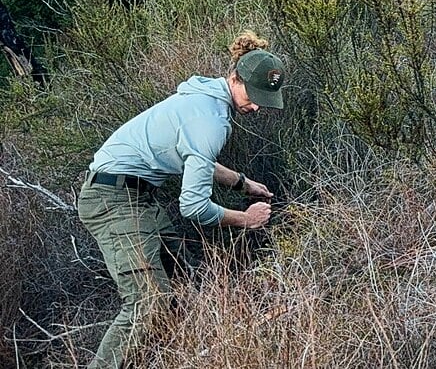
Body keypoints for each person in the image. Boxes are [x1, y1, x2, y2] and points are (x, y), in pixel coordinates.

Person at [77, 31, 286, 369]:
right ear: (235, 77)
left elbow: (195, 157)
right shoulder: (210, 120)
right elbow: (193, 207)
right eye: (254, 95)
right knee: (148, 303)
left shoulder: (204, 101)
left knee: (185, 280)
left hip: (136, 197)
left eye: (265, 98)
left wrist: (243, 184)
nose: (257, 105)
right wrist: (245, 219)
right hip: (113, 199)